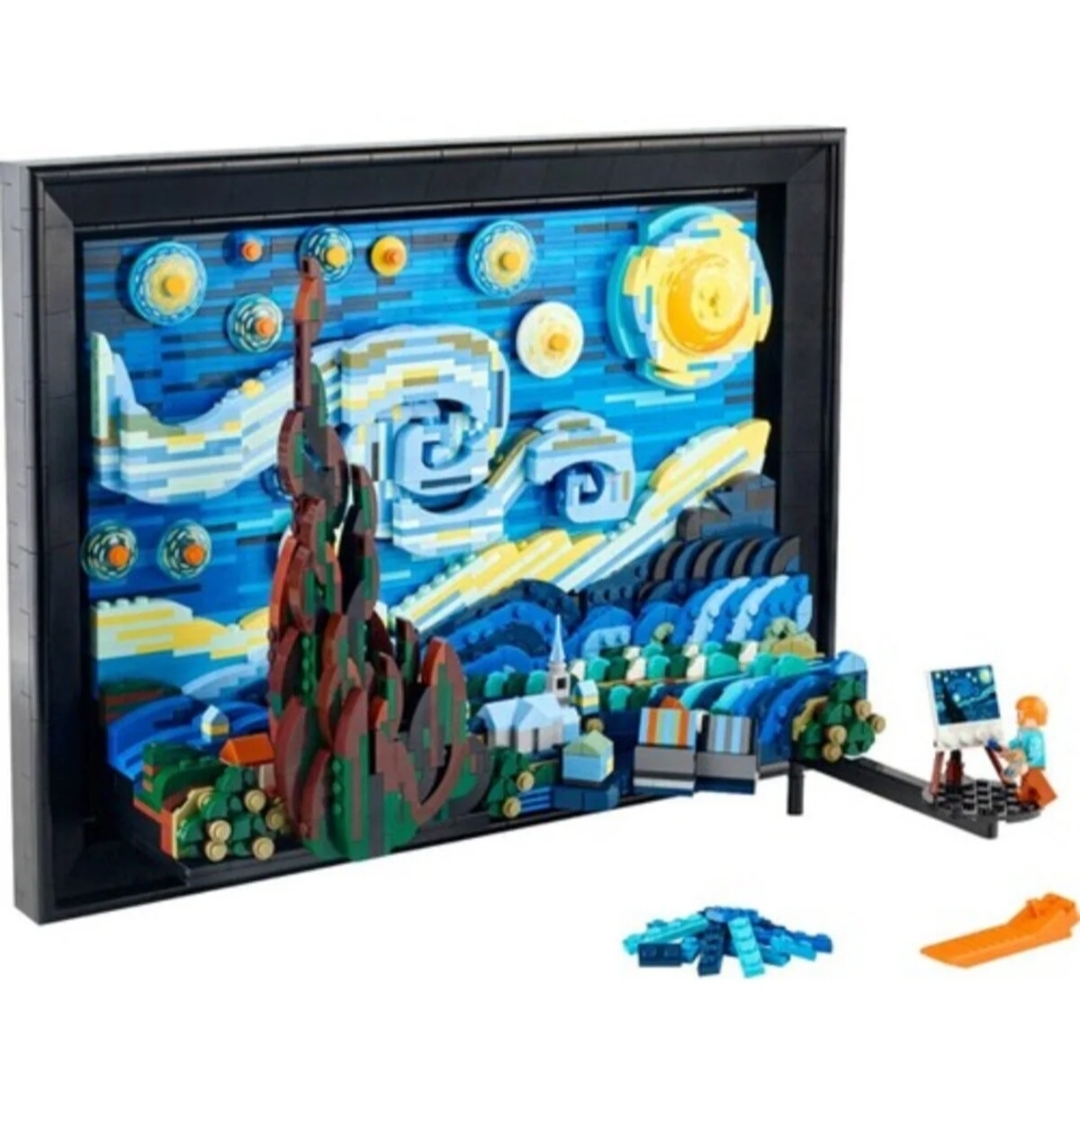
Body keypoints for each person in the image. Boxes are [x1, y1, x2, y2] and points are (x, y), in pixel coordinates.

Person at [1004, 695, 1047, 781]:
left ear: (1031, 718)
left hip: (1033, 766)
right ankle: (1008, 775)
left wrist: (1028, 765)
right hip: (1023, 760)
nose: (1018, 718)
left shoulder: (1036, 737)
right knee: (1017, 756)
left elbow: (1037, 757)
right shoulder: (1023, 731)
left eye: (1020, 715)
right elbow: (1017, 742)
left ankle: (1009, 775)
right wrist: (1008, 747)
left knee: (1020, 760)